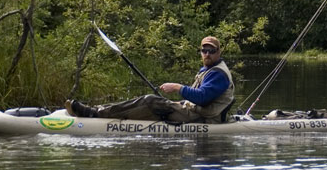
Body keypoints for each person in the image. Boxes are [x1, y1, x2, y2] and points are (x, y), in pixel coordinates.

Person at [65, 36, 235, 124]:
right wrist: (179, 102)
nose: (207, 54)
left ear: (219, 52)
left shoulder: (218, 74)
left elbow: (203, 98)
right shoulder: (208, 69)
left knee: (150, 100)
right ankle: (97, 111)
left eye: (211, 51)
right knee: (154, 102)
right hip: (196, 112)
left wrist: (177, 87)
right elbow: (199, 99)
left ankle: (94, 113)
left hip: (205, 119)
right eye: (204, 50)